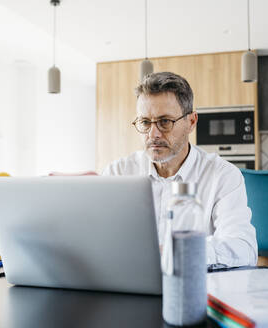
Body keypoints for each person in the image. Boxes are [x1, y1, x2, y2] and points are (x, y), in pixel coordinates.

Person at [102, 72, 257, 267]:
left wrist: (177, 251)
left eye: (165, 122)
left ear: (191, 122)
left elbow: (243, 249)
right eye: (145, 122)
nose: (153, 134)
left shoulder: (223, 176)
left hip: (193, 286)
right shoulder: (117, 173)